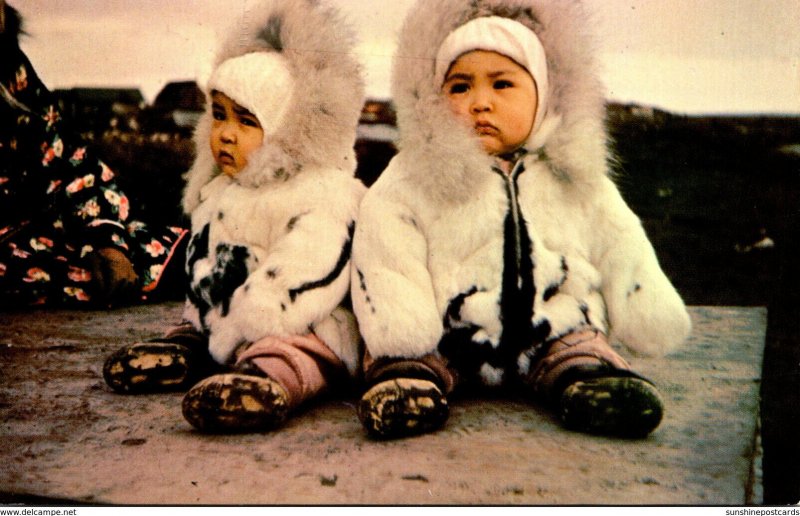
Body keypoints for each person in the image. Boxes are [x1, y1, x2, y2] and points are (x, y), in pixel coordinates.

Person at [351, 0, 692, 440]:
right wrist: (404, 330)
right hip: (447, 335)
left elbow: (619, 238)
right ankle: (407, 385)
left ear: (543, 94)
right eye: (459, 87)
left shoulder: (572, 176)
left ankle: (592, 384)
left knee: (583, 346)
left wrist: (647, 307)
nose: (480, 103)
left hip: (554, 330)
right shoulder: (414, 174)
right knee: (407, 365)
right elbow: (386, 246)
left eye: (502, 84)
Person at [103, 0, 366, 434]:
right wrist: (206, 316)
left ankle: (265, 382)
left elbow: (313, 262)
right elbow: (204, 260)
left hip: (301, 318)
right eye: (219, 116)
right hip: (231, 324)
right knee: (199, 323)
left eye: (246, 121)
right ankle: (187, 349)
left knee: (304, 350)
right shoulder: (221, 190)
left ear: (285, 129)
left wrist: (254, 321)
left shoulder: (323, 190)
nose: (225, 133)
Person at [0, 2, 188, 309]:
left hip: (36, 229)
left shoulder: (11, 71)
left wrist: (106, 240)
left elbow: (68, 162)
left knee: (153, 247)